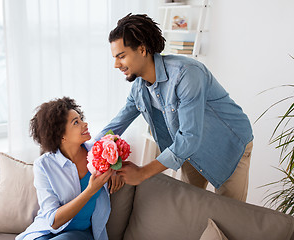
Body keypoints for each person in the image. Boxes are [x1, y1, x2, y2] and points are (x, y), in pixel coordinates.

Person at [95, 13, 254, 202]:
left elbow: (189, 137)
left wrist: (143, 172)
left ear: (142, 49)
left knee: (231, 213)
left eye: (121, 56)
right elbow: (117, 124)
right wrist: (86, 149)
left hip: (228, 144)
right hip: (190, 149)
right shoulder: (139, 88)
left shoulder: (186, 74)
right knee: (188, 207)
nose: (116, 64)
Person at [16, 97, 123, 240]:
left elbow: (120, 160)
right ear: (61, 136)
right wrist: (90, 191)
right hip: (45, 232)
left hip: (79, 234)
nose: (85, 124)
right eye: (76, 122)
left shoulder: (100, 153)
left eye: (80, 119)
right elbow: (53, 221)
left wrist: (115, 171)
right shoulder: (43, 165)